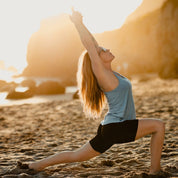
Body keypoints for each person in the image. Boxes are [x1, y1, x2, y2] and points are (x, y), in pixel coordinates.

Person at [19, 9, 165, 175]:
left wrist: (82, 23)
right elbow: (90, 46)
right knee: (158, 126)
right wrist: (77, 24)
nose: (106, 49)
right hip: (118, 127)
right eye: (103, 51)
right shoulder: (103, 75)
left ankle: (37, 165)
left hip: (111, 127)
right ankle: (155, 171)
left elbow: (93, 44)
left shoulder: (112, 74)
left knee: (76, 155)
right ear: (97, 59)